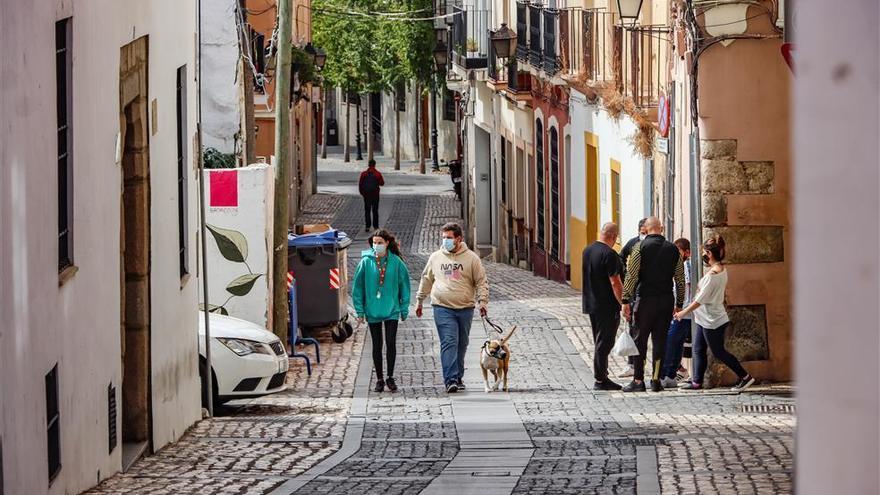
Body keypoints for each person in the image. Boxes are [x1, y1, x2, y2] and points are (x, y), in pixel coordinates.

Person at [674, 236, 755, 392]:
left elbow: (700, 300)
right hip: (704, 318)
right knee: (698, 349)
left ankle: (745, 377)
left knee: (718, 351)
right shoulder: (720, 269)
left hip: (713, 320)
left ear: (709, 254)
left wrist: (682, 313)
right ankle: (697, 382)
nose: (703, 255)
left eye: (704, 252)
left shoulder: (712, 276)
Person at [415, 222, 489, 393]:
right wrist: (419, 300)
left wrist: (482, 301)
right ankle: (450, 379)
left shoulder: (471, 258)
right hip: (442, 307)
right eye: (443, 238)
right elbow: (426, 278)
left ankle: (458, 376)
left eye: (449, 238)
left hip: (465, 308)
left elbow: (481, 281)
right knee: (449, 342)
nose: (445, 241)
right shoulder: (435, 257)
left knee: (461, 344)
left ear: (458, 239)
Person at [620, 217, 686, 393]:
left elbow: (632, 276)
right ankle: (656, 380)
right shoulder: (673, 249)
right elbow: (679, 279)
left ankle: (639, 380)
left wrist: (625, 300)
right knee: (660, 341)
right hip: (665, 300)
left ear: (645, 230)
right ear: (661, 229)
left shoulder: (639, 248)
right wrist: (679, 303)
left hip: (645, 300)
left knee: (639, 340)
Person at [352, 229, 411, 393]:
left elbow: (404, 285)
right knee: (377, 345)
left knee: (391, 343)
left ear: (387, 243)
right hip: (373, 311)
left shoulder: (396, 262)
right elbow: (358, 288)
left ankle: (390, 377)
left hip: (392, 309)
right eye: (374, 243)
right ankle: (379, 378)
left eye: (379, 242)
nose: (376, 246)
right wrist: (360, 311)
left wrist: (404, 308)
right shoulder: (365, 262)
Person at [582, 223, 624, 391]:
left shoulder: (588, 250)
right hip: (606, 305)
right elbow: (615, 282)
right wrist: (623, 303)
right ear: (613, 236)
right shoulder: (610, 254)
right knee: (605, 342)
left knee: (599, 340)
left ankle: (602, 375)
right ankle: (600, 378)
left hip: (591, 302)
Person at [617, 218, 648, 378]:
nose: (645, 234)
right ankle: (632, 364)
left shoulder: (652, 244)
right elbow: (621, 257)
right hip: (635, 291)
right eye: (643, 232)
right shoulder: (633, 243)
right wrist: (626, 272)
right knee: (633, 328)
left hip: (648, 292)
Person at [660, 238, 692, 388]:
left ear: (686, 252)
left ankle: (666, 374)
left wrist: (678, 306)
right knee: (677, 343)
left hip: (681, 311)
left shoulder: (685, 266)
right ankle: (671, 375)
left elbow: (684, 287)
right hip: (685, 311)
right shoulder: (685, 265)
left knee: (671, 342)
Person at [358, 159, 385, 232]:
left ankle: (367, 226)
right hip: (375, 194)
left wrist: (362, 193)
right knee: (375, 210)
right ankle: (375, 226)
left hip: (366, 194)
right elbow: (382, 183)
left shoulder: (364, 174)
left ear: (368, 165)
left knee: (367, 210)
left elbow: (360, 184)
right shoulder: (377, 174)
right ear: (375, 165)